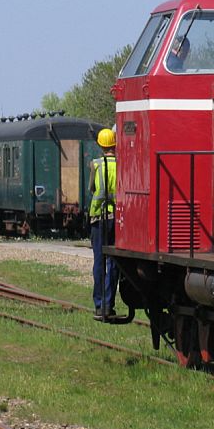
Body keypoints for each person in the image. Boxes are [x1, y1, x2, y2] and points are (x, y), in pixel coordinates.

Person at [89, 127, 118, 320]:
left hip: (98, 217)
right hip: (116, 217)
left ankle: (99, 304)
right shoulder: (121, 163)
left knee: (99, 261)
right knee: (113, 262)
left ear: (100, 145)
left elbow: (92, 188)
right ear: (115, 145)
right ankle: (109, 304)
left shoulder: (95, 164)